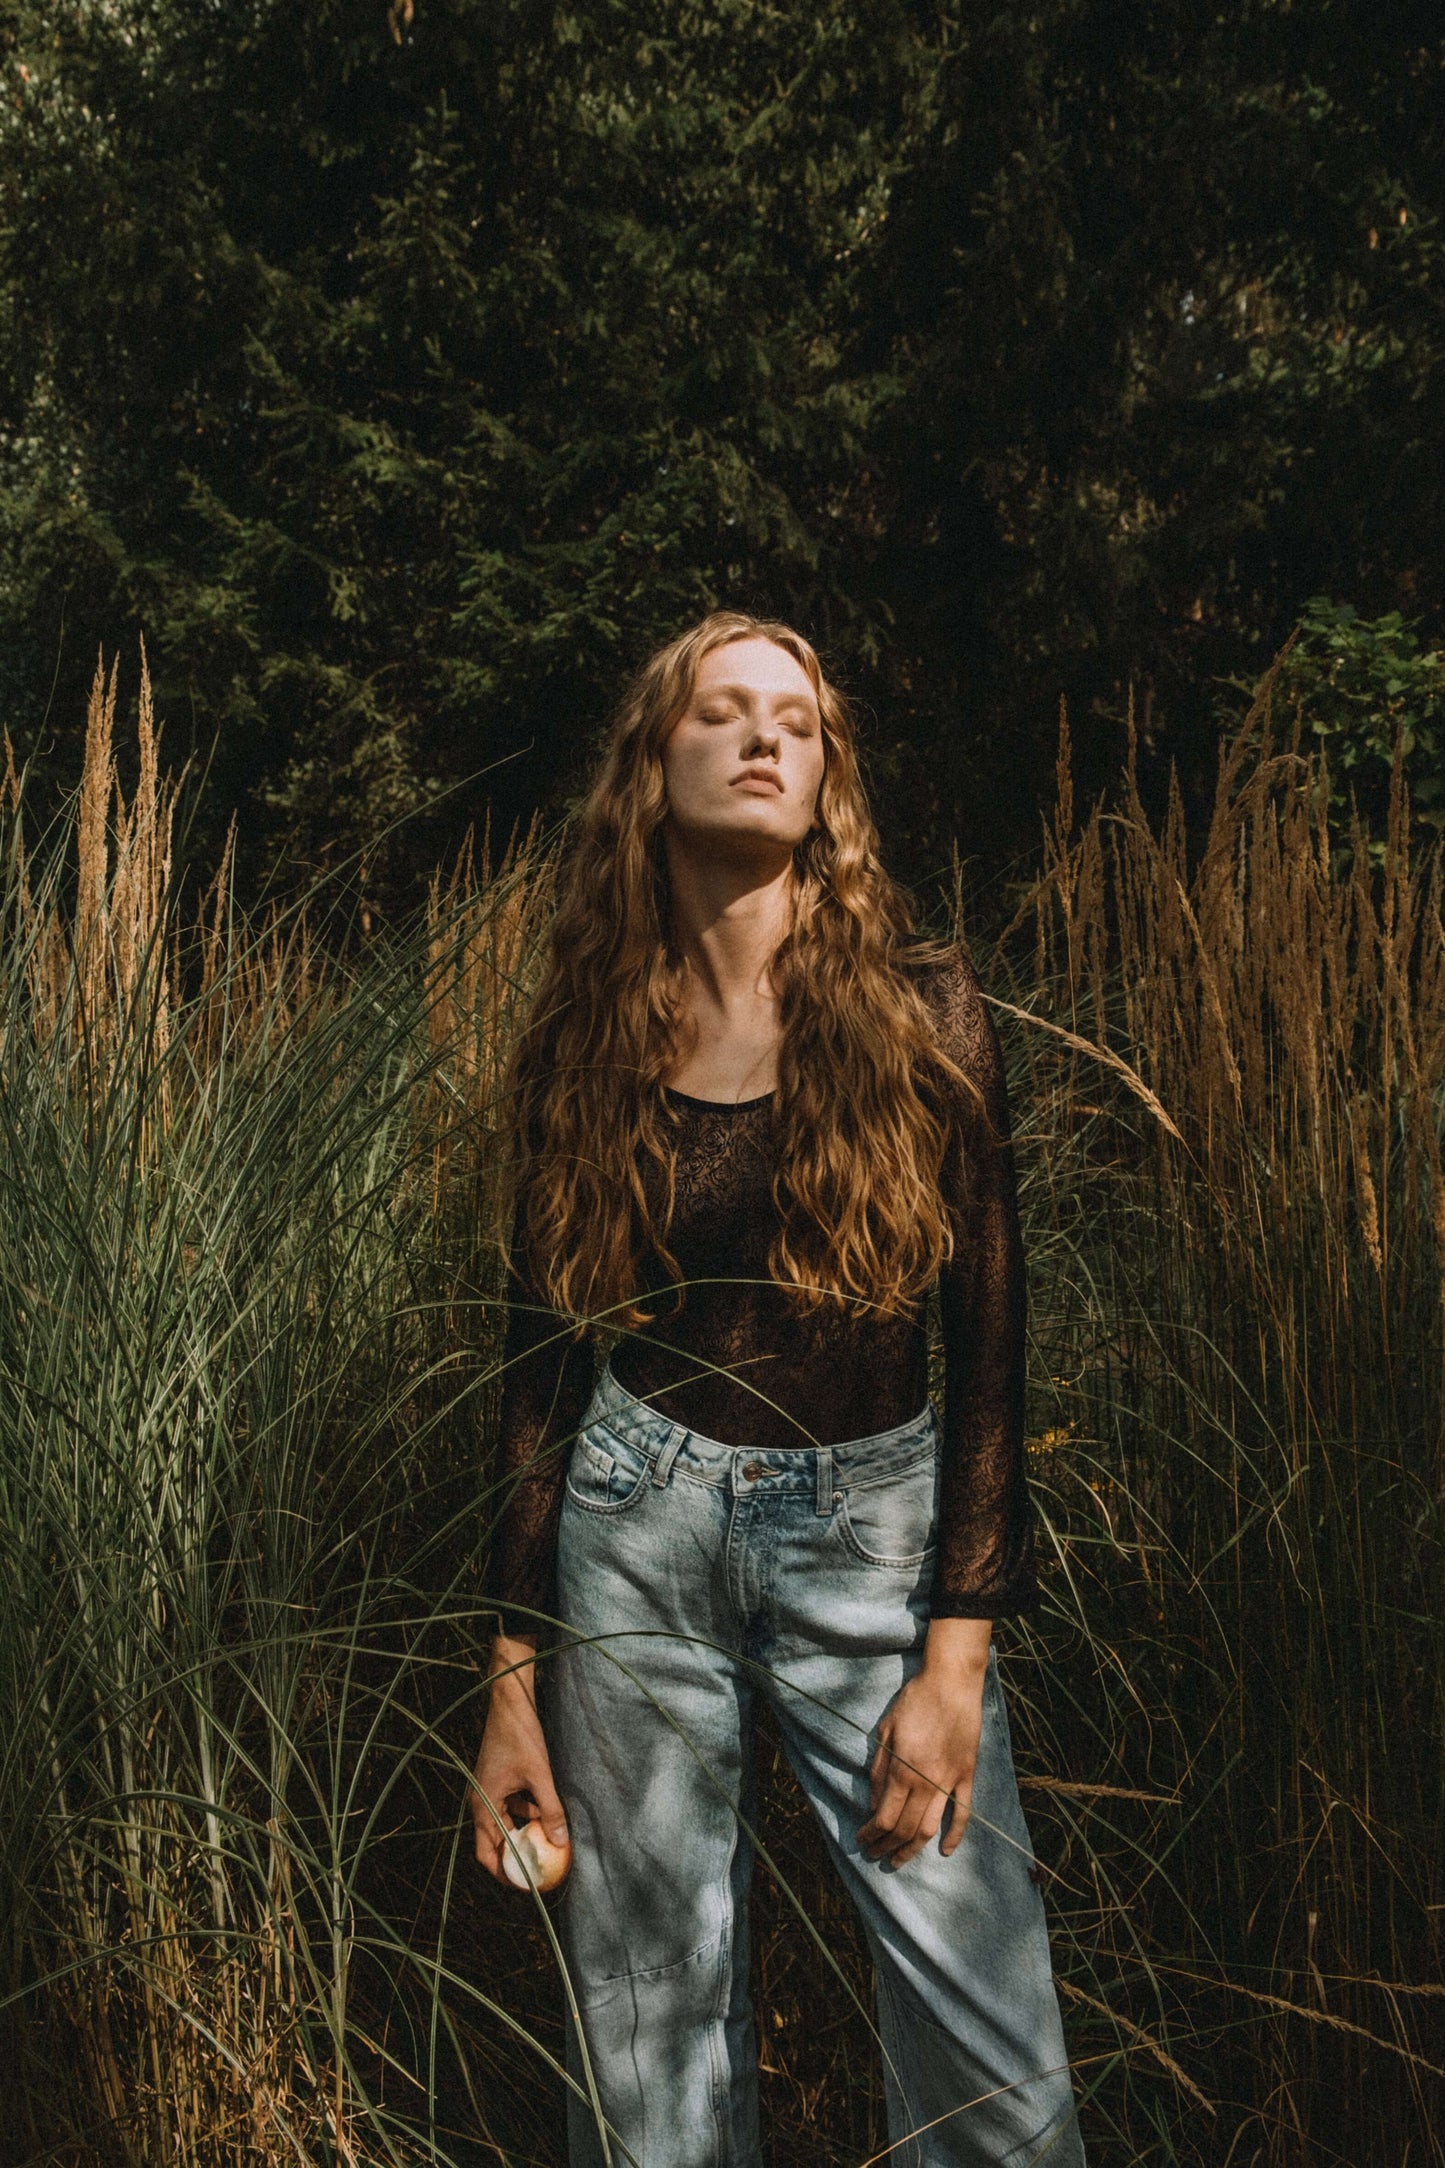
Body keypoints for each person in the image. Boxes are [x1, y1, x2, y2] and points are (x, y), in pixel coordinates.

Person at [469, 611, 1085, 2168]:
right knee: (648, 2033)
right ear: (650, 765)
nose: (764, 739)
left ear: (824, 776)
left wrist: (953, 1664)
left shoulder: (923, 1011)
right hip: (629, 1528)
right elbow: (538, 1358)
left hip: (871, 1537)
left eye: (795, 724)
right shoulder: (582, 1033)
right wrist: (511, 1678)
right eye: (725, 713)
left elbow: (989, 1341)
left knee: (990, 2051)